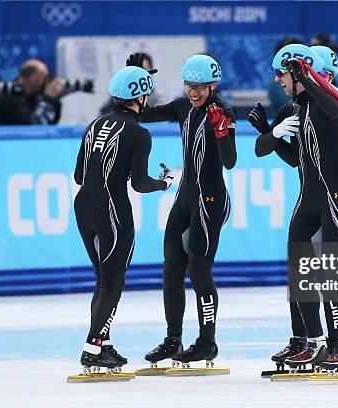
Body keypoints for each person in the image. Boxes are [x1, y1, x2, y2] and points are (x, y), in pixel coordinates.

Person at [251, 44, 338, 371]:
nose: (278, 81)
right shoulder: (292, 110)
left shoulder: (336, 105)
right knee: (299, 271)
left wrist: (311, 80)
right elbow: (277, 154)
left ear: (302, 72)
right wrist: (268, 132)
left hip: (337, 196)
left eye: (282, 73)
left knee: (332, 271)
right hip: (309, 198)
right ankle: (311, 341)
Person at [73, 66, 179, 371]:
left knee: (102, 281)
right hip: (112, 210)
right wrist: (166, 182)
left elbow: (79, 175)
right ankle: (92, 347)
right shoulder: (138, 133)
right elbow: (139, 183)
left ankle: (103, 345)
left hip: (84, 207)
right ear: (140, 96)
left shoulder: (94, 125)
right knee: (113, 282)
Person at [136, 54, 237, 367]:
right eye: (189, 86)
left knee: (199, 270)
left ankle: (207, 342)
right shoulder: (182, 107)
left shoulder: (222, 111)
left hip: (210, 199)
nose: (194, 93)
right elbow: (142, 114)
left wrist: (222, 132)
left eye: (200, 88)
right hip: (185, 197)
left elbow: (230, 161)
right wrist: (138, 81)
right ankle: (173, 339)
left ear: (213, 85)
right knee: (171, 268)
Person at [0, 59, 65, 125]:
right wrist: (48, 99)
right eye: (44, 78)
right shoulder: (9, 94)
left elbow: (51, 121)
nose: (46, 82)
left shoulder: (34, 94)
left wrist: (55, 99)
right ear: (33, 78)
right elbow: (31, 125)